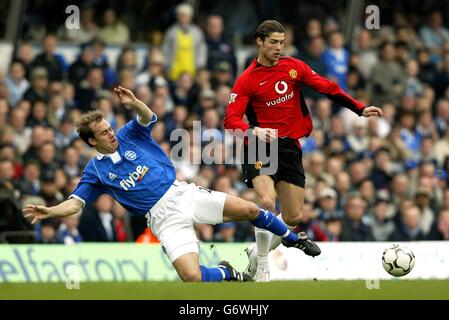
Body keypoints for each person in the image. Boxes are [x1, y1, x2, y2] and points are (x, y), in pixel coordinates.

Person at [22, 86, 319, 283]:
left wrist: (135, 101)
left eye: (109, 127)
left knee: (251, 208)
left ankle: (295, 241)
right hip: (162, 218)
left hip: (182, 193)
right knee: (191, 277)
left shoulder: (129, 135)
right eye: (102, 132)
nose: (110, 134)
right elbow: (75, 203)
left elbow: (148, 116)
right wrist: (50, 211)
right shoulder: (95, 171)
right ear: (91, 141)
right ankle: (230, 274)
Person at [224, 20, 383, 281]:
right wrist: (253, 131)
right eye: (273, 42)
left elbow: (328, 87)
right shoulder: (247, 80)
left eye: (281, 42)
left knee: (293, 216)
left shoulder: (294, 67)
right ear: (259, 42)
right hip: (259, 144)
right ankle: (263, 265)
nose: (278, 47)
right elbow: (230, 119)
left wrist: (359, 108)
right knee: (265, 201)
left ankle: (254, 255)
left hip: (289, 146)